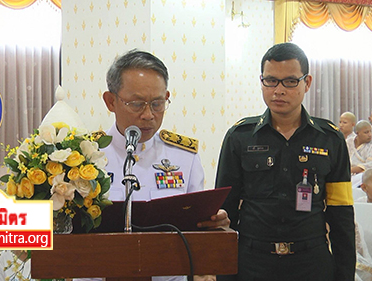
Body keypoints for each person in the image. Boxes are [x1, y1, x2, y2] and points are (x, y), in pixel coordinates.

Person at [215, 42, 355, 280]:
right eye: (270, 80)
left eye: (290, 81)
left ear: (307, 83)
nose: (278, 90)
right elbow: (225, 211)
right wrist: (224, 272)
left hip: (311, 263)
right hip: (252, 263)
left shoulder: (330, 139)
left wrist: (344, 274)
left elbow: (341, 215)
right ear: (262, 81)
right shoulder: (239, 137)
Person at [101, 49, 229, 281]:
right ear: (111, 101)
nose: (149, 115)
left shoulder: (184, 156)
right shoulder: (84, 156)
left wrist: (214, 224)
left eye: (158, 104)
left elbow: (196, 224)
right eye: (137, 104)